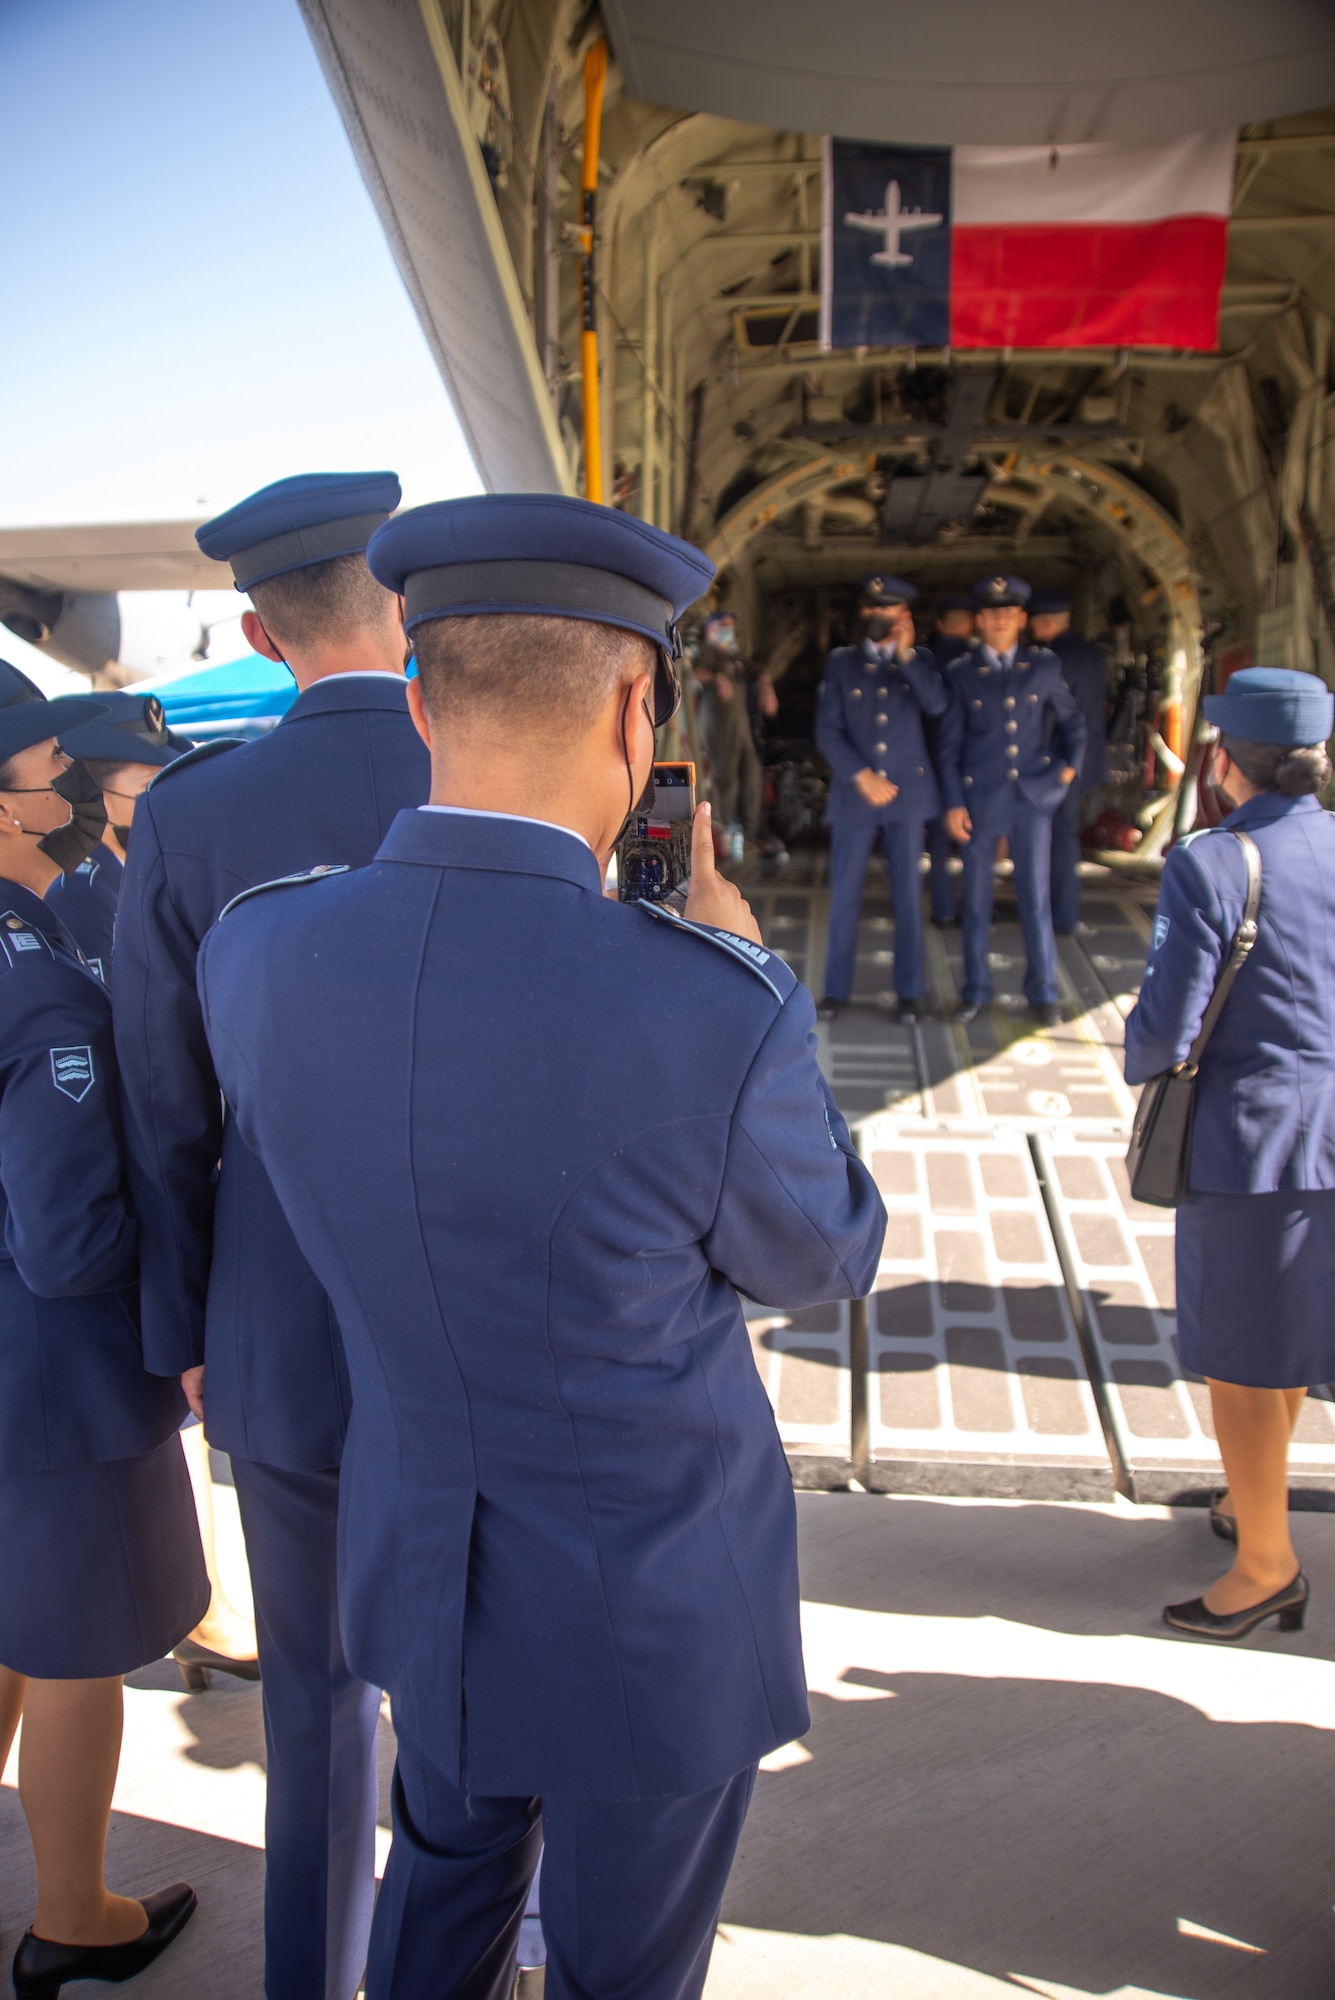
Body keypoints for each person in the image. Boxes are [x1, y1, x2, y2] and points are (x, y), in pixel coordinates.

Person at [195, 494, 887, 2000]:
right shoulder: (709, 1002)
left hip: (421, 1554)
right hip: (650, 1593)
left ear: (423, 696)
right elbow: (820, 1255)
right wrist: (746, 955)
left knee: (437, 1902)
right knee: (622, 1969)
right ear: (639, 707)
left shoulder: (257, 948)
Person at [114, 471, 429, 2000]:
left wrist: (180, 1327)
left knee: (314, 1690)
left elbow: (163, 1108)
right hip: (495, 1309)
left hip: (278, 1305)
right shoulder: (510, 771)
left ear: (256, 627)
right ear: (406, 605)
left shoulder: (193, 814)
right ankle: (503, 1950)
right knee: (489, 1673)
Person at [0, 663, 207, 2000]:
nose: (71, 788)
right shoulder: (42, 985)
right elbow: (71, 1242)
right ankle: (72, 1917)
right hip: (56, 1385)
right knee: (77, 1652)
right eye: (50, 772)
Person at [45, 694, 259, 1685]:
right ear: (89, 779)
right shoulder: (75, 892)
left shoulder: (123, 872)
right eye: (139, 766)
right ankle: (202, 1608)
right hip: (102, 1209)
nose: (159, 777)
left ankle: (207, 1600)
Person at [1124, 667, 1335, 1642]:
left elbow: (1166, 1030)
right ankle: (1248, 1508)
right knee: (1290, 1332)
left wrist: (1142, 1055)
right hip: (1328, 1125)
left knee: (1245, 1360)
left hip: (1253, 1143)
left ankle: (1264, 1565)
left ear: (1223, 760)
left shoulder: (1213, 861)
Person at [937, 575, 1086, 1027]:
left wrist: (1066, 771)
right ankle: (976, 990)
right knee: (976, 900)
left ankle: (1043, 993)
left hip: (1032, 796)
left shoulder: (1043, 667)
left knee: (1035, 898)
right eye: (992, 614)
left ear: (1021, 619)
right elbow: (949, 746)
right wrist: (954, 802)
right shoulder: (962, 674)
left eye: (1009, 613)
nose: (1000, 621)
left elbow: (1073, 723)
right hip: (981, 797)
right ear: (980, 621)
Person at [814, 576, 947, 1025]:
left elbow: (937, 706)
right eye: (870, 610)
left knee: (908, 897)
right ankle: (835, 990)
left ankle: (910, 992)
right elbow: (828, 728)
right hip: (856, 797)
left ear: (904, 617)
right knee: (844, 895)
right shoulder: (842, 663)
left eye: (886, 611)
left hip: (907, 798)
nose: (876, 617)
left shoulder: (921, 663)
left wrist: (906, 657)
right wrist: (861, 774)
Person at [44, 694, 193, 985]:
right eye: (150, 784)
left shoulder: (124, 875)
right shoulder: (82, 893)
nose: (167, 795)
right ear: (91, 793)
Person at [1028, 592, 1111, 934]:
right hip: (1084, 759)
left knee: (1050, 838)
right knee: (1066, 836)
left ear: (1044, 623)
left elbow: (1048, 715)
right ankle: (1062, 912)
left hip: (1054, 761)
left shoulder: (1049, 659)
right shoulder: (1093, 654)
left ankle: (1053, 914)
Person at [924, 595, 975, 927]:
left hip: (927, 760)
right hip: (970, 763)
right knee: (974, 841)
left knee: (938, 842)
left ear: (939, 625)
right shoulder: (975, 662)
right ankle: (973, 911)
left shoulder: (923, 661)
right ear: (972, 624)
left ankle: (942, 908)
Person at [694, 610, 764, 851]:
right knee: (726, 779)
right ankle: (722, 835)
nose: (729, 630)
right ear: (711, 629)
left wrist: (766, 686)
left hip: (741, 726)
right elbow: (695, 673)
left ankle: (750, 832)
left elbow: (757, 671)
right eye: (724, 625)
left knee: (751, 773)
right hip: (720, 725)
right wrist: (717, 678)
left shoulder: (734, 656)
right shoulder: (708, 653)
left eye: (731, 626)